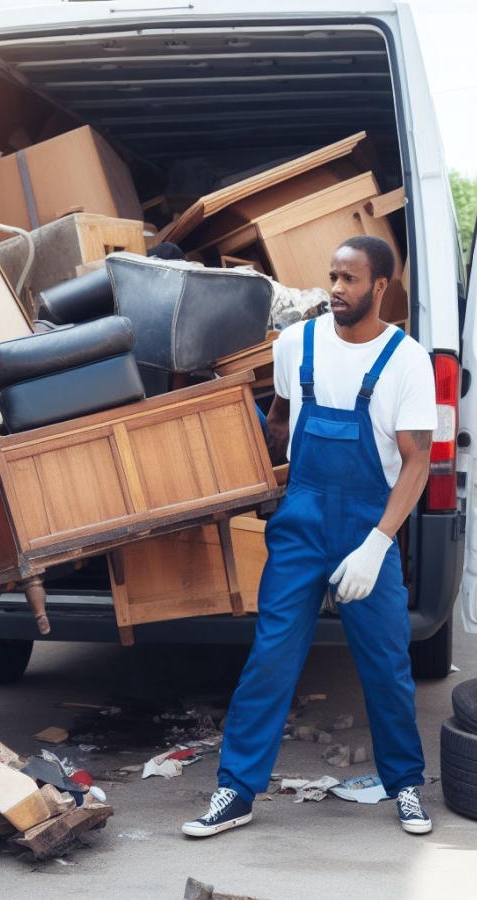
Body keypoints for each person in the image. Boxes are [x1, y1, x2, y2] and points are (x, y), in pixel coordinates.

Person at [182, 235, 437, 839]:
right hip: (300, 526)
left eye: (350, 280)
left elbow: (418, 461)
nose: (337, 289)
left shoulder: (408, 360)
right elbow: (278, 420)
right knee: (271, 657)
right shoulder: (297, 342)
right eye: (332, 276)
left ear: (380, 287)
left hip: (368, 525)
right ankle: (235, 791)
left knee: (386, 665)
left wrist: (377, 546)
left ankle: (404, 787)